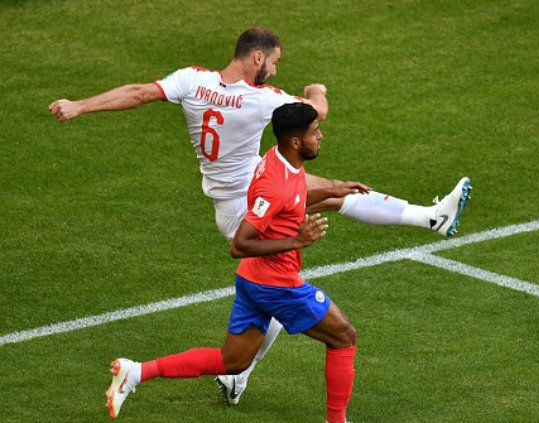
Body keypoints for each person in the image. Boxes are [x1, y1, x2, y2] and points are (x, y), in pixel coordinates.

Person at [50, 27, 471, 404]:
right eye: (274, 62)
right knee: (293, 270)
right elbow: (313, 114)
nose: (273, 69)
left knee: (335, 194)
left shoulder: (191, 79)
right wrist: (317, 88)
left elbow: (139, 92)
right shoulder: (262, 99)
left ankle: (431, 218)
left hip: (239, 193)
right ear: (257, 58)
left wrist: (79, 105)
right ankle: (430, 219)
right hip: (252, 205)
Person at [107, 103, 357, 422]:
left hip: (253, 280)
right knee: (344, 336)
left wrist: (335, 190)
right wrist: (298, 241)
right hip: (276, 285)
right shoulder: (274, 184)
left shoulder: (283, 160)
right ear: (296, 142)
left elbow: (294, 199)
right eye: (314, 133)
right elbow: (240, 244)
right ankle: (336, 420)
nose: (320, 136)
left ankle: (136, 371)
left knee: (233, 362)